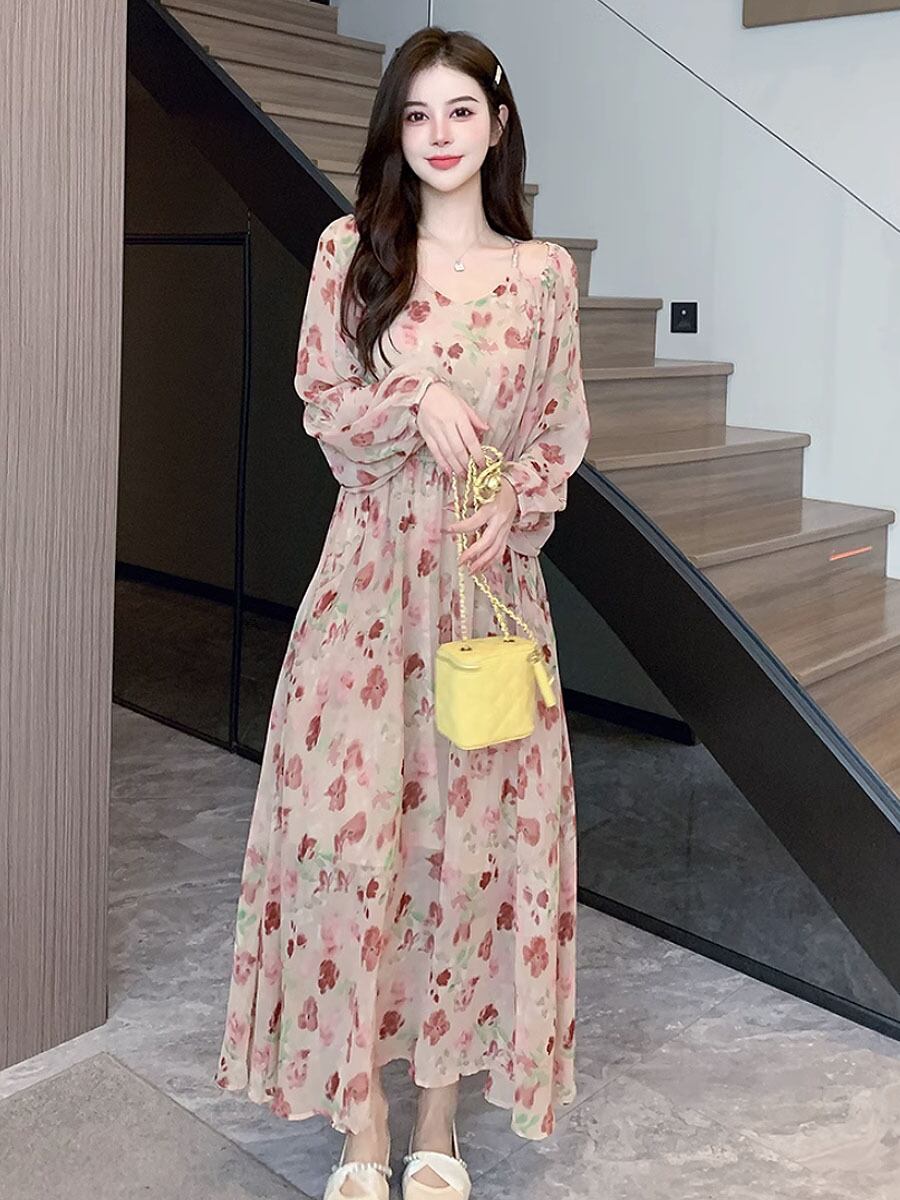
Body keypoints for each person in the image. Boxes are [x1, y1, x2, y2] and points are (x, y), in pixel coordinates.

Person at [214, 25, 591, 1200]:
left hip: (486, 600)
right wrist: (415, 394)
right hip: (368, 591)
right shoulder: (353, 252)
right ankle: (360, 1117)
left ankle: (436, 1117)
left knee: (466, 854)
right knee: (344, 840)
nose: (438, 135)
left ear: (498, 124)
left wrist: (514, 503)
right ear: (395, 129)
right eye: (416, 114)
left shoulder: (544, 276)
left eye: (460, 112)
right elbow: (325, 402)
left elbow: (557, 435)